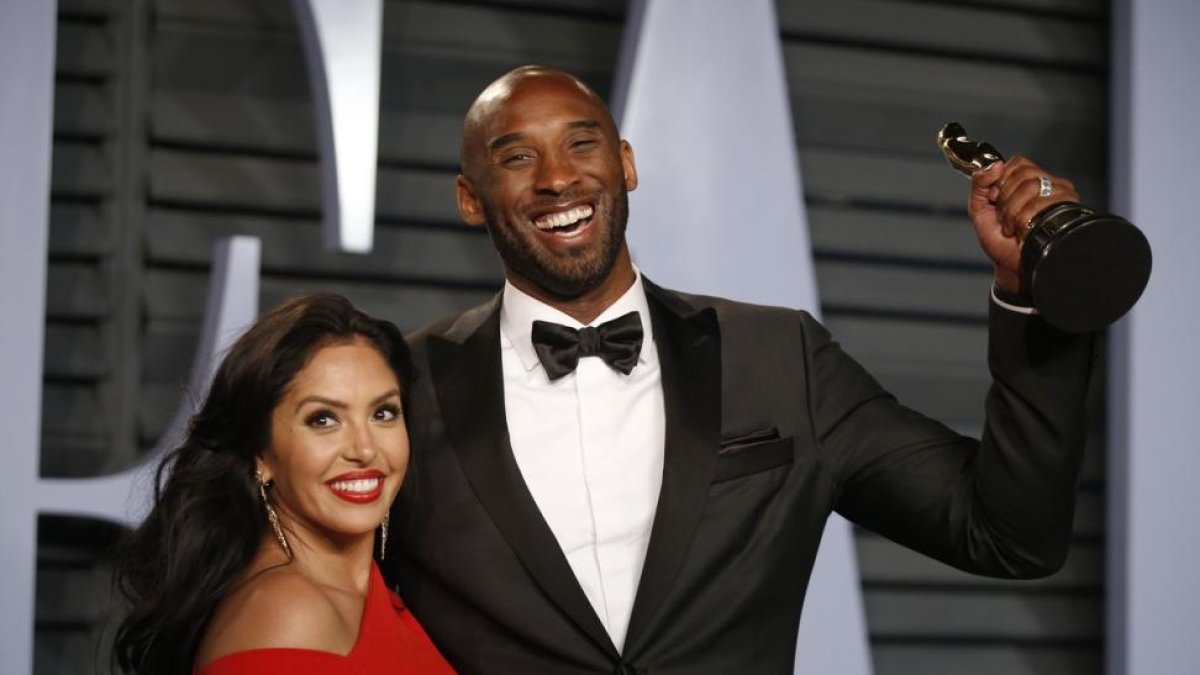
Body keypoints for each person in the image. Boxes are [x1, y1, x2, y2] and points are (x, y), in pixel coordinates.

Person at [384, 65, 1096, 674]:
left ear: (626, 163)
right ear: (469, 200)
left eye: (582, 143)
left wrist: (1032, 296)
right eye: (516, 158)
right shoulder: (401, 387)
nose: (559, 177)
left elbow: (1008, 535)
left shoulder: (778, 356)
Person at [113, 294, 455, 675]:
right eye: (323, 420)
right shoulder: (288, 611)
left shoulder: (355, 591)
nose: (364, 449)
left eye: (383, 413)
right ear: (260, 453)